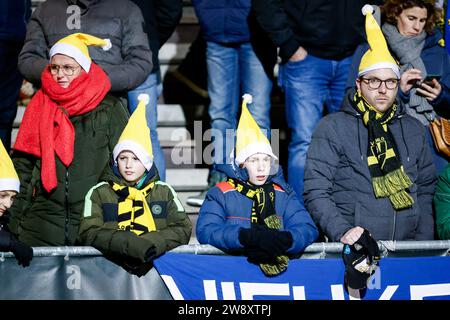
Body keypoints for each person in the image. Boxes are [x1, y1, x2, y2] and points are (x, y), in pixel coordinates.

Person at [303, 6, 436, 243]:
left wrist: (422, 242)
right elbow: (316, 190)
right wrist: (343, 231)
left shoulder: (413, 128)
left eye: (391, 82)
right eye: (374, 81)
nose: (383, 89)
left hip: (408, 252)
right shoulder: (332, 127)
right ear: (359, 83)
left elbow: (425, 190)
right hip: (354, 250)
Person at [251, 0, 383, 203]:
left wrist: (367, 41)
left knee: (352, 141)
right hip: (305, 58)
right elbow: (265, 4)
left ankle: (345, 214)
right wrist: (289, 45)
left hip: (352, 57)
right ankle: (299, 215)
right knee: (304, 142)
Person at [7, 33, 129, 246]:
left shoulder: (109, 107)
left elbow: (127, 162)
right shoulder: (39, 103)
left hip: (94, 220)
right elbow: (23, 167)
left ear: (83, 69)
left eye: (68, 68)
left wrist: (106, 208)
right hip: (41, 221)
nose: (60, 74)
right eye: (54, 67)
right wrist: (13, 225)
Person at [196, 94, 318, 276]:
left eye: (266, 160)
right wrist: (245, 236)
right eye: (254, 161)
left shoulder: (283, 193)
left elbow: (307, 228)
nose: (261, 167)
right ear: (242, 164)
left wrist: (285, 239)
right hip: (233, 273)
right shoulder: (221, 193)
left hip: (282, 275)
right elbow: (206, 231)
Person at [78, 95, 192, 277]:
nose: (128, 165)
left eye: (136, 159)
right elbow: (89, 232)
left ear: (146, 163)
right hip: (108, 274)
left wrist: (147, 245)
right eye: (123, 158)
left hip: (156, 274)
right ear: (116, 161)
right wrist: (130, 245)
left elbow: (182, 228)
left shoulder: (163, 191)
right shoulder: (99, 192)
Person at [186, 0, 274, 207]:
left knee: (258, 114)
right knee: (220, 114)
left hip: (258, 34)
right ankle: (221, 177)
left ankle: (259, 183)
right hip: (217, 33)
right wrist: (207, 15)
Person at [347, 0, 450, 174]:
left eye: (422, 20)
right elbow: (351, 98)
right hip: (386, 139)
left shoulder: (436, 52)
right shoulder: (373, 47)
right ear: (395, 15)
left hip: (432, 145)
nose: (417, 26)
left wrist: (441, 95)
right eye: (411, 18)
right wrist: (398, 90)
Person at [18, 0, 152, 97]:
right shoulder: (45, 10)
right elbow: (27, 59)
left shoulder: (127, 9)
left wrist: (96, 78)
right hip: (55, 107)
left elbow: (140, 62)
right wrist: (61, 72)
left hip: (108, 107)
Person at [127, 0, 184, 182]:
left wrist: (151, 41)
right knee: (147, 134)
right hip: (143, 55)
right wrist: (150, 40)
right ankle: (159, 201)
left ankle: (158, 198)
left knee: (145, 134)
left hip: (130, 59)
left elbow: (170, 11)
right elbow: (170, 11)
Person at [0, 0, 31, 151]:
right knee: (5, 113)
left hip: (15, 38)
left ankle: (4, 169)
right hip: (14, 34)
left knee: (6, 113)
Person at [0, 139, 33, 267]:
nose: (8, 205)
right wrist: (10, 242)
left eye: (12, 198)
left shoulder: (4, 223)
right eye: (2, 195)